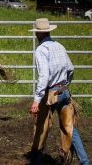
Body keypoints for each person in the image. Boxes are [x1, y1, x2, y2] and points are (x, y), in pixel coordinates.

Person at [28, 18, 90, 164]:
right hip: (64, 92)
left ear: (38, 34)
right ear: (48, 31)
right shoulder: (59, 46)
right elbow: (71, 69)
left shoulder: (41, 50)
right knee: (70, 128)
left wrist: (36, 100)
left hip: (50, 94)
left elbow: (44, 76)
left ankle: (36, 160)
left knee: (42, 126)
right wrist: (66, 85)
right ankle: (85, 161)